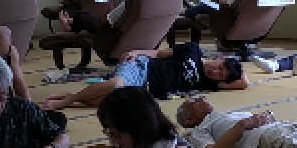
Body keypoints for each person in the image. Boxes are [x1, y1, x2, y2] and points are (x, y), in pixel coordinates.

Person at [43, 42, 247, 111]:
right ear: (219, 58)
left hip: (146, 91)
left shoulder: (209, 84)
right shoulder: (193, 50)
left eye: (221, 75)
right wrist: (136, 52)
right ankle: (68, 100)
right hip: (142, 68)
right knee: (116, 84)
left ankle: (73, 96)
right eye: (220, 66)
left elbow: (244, 82)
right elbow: (158, 53)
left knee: (112, 101)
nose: (216, 72)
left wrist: (229, 75)